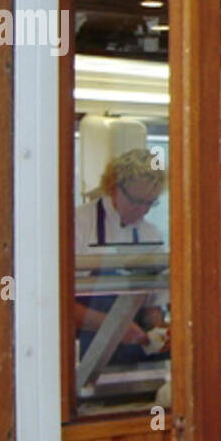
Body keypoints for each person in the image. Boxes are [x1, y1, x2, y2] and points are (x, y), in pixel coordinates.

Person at [73, 147, 168, 358]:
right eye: (136, 201)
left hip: (132, 353)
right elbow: (57, 304)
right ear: (114, 187)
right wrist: (112, 326)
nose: (142, 210)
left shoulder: (151, 235)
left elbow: (154, 303)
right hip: (84, 351)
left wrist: (158, 331)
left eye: (150, 203)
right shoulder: (77, 224)